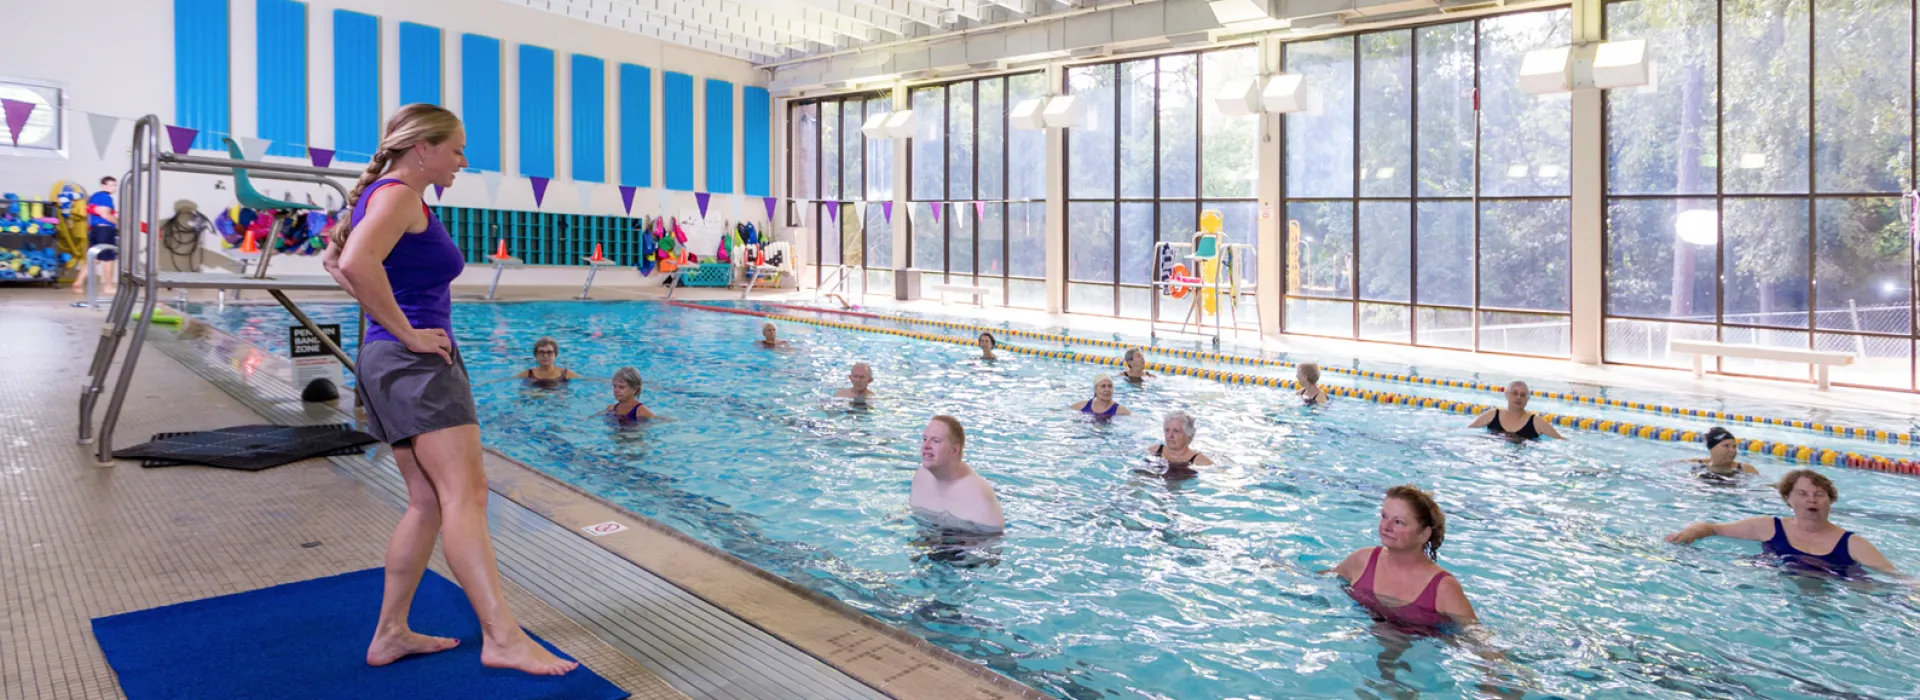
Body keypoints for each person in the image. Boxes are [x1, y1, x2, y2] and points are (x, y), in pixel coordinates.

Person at [321, 103, 576, 676]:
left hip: (388, 361)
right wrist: (408, 332)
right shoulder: (399, 197)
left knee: (429, 500)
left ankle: (390, 633)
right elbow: (357, 263)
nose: (463, 160)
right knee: (467, 496)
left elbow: (335, 260)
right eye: (456, 149)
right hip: (414, 364)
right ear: (422, 149)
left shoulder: (382, 196)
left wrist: (391, 332)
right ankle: (502, 638)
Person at [1666, 469, 1897, 575]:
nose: (1812, 500)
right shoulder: (1769, 527)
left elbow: (1895, 578)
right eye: (1803, 494)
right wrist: (1692, 531)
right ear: (1788, 499)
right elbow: (1713, 527)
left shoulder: (1852, 544)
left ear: (1830, 500)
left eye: (1819, 494)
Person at [1329, 485, 1480, 632]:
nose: (1386, 526)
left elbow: (1475, 635)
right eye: (1384, 516)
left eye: (1398, 522)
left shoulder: (1443, 588)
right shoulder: (1363, 559)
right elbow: (1323, 583)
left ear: (1424, 534)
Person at [910, 415, 1005, 533]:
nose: (926, 446)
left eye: (936, 441)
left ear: (954, 450)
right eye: (924, 439)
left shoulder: (978, 495)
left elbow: (994, 543)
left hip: (963, 546)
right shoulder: (921, 478)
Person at [1467, 381, 1564, 440]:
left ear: (1527, 399)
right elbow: (1467, 431)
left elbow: (1561, 441)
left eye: (1523, 395)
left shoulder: (1537, 422)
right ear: (1506, 394)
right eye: (1515, 393)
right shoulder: (1492, 415)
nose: (1518, 397)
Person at [73, 176, 118, 293]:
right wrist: (119, 223)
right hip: (105, 230)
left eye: (114, 185)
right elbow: (105, 215)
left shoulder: (94, 197)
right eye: (110, 185)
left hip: (94, 230)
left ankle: (78, 282)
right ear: (103, 186)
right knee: (109, 259)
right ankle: (108, 286)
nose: (113, 188)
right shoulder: (106, 197)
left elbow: (96, 212)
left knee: (94, 259)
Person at [1146, 411, 1213, 478]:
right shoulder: (1154, 451)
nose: (1170, 435)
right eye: (1167, 430)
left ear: (1188, 435)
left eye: (1176, 431)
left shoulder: (1200, 461)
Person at [1688, 427, 1758, 481]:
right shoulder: (1696, 463)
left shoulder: (1745, 469)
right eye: (1726, 446)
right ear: (1712, 448)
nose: (1733, 450)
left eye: (1734, 446)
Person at [517, 337, 582, 388]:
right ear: (535, 355)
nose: (545, 356)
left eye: (549, 352)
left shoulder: (566, 374)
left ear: (555, 355)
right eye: (541, 352)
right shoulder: (528, 374)